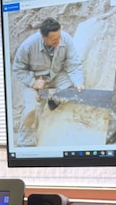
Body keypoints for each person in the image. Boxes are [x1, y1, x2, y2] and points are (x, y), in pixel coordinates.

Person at [12, 18, 85, 146]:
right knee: (31, 109)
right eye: (54, 39)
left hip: (56, 76)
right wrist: (32, 82)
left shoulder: (65, 39)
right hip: (35, 79)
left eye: (59, 36)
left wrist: (78, 81)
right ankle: (25, 142)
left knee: (69, 89)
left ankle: (53, 100)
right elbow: (18, 69)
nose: (59, 41)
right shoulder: (28, 46)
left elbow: (74, 63)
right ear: (44, 38)